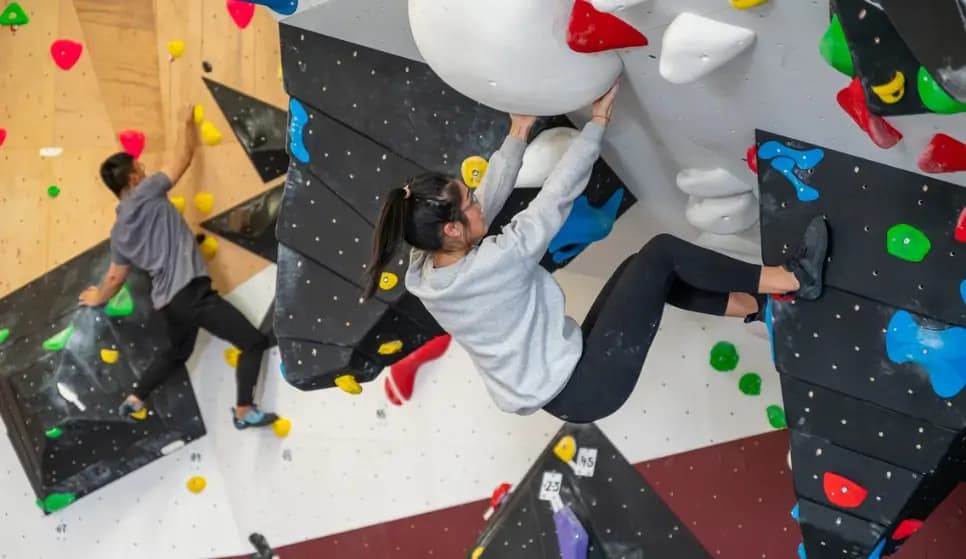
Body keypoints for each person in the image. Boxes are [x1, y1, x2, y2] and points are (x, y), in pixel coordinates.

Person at [363, 79, 828, 424]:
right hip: (588, 386)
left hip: (562, 380)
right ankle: (791, 279)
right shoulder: (496, 261)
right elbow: (558, 194)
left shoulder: (426, 267)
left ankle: (754, 306)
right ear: (451, 229)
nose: (476, 199)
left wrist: (518, 133)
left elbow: (487, 199)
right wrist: (598, 124)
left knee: (640, 270)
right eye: (467, 202)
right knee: (662, 253)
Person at [80, 105, 278, 430]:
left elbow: (116, 277)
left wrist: (97, 297)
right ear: (133, 178)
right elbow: (183, 158)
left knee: (176, 354)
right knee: (252, 342)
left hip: (169, 305)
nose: (144, 170)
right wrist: (185, 122)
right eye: (140, 168)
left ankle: (136, 398)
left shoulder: (117, 233)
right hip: (193, 296)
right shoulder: (147, 191)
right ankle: (244, 411)